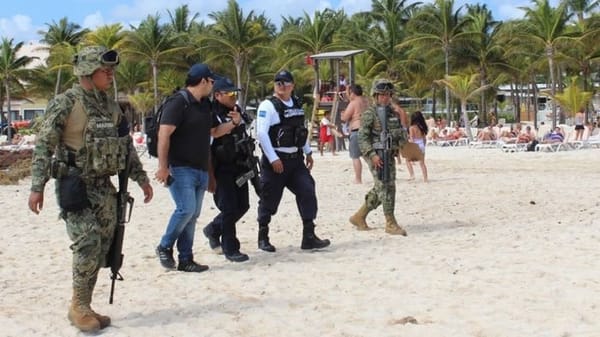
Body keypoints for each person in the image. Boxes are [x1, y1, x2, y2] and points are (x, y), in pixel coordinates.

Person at [27, 45, 153, 332]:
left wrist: (141, 178)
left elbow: (125, 146)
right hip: (74, 183)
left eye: (111, 70)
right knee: (88, 243)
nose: (110, 75)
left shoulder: (110, 105)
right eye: (104, 70)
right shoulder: (65, 102)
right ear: (86, 71)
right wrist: (37, 186)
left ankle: (83, 303)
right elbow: (44, 145)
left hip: (105, 187)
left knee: (103, 248)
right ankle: (79, 307)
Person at [154, 63, 224, 273]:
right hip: (180, 166)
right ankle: (164, 246)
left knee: (192, 215)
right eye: (212, 81)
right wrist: (162, 167)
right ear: (203, 81)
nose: (213, 85)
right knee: (186, 209)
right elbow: (163, 134)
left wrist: (233, 125)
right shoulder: (178, 102)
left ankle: (186, 258)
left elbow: (213, 132)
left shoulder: (205, 105)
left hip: (200, 167)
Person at [255, 70, 331, 252]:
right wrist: (273, 158)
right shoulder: (268, 106)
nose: (281, 86)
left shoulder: (296, 103)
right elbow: (261, 134)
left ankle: (309, 236)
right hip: (276, 160)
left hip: (295, 160)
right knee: (269, 198)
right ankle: (263, 236)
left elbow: (300, 131)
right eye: (278, 82)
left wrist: (308, 152)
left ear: (292, 85)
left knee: (307, 191)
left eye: (285, 82)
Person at [202, 77, 252, 263]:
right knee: (229, 208)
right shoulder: (212, 111)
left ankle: (213, 229)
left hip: (240, 164)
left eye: (235, 93)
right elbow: (214, 132)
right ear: (217, 95)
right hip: (221, 167)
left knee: (243, 205)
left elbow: (245, 127)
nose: (233, 97)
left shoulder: (236, 110)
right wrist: (233, 124)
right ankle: (231, 248)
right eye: (229, 93)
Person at [349, 79, 407, 236]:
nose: (385, 98)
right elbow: (362, 138)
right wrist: (372, 155)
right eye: (382, 95)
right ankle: (390, 222)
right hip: (376, 154)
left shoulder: (393, 114)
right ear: (375, 96)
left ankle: (359, 216)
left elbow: (400, 133)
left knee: (382, 186)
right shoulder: (369, 114)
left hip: (389, 154)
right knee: (386, 186)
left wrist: (401, 146)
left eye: (388, 95)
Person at [340, 84, 368, 184]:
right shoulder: (365, 101)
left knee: (355, 156)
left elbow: (345, 118)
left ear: (353, 93)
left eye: (349, 93)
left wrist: (342, 114)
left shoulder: (354, 103)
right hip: (367, 130)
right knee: (368, 155)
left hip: (357, 130)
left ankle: (358, 179)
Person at [405, 111, 429, 182]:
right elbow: (424, 139)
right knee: (422, 163)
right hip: (421, 144)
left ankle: (412, 175)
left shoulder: (411, 127)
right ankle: (425, 178)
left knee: (407, 160)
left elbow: (412, 139)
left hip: (415, 145)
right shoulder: (422, 127)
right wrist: (423, 146)